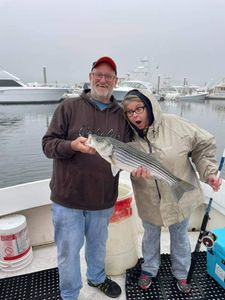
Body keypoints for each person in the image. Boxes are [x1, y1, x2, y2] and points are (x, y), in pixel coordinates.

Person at [42, 56, 132, 300]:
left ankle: (97, 278)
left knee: (98, 245)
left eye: (109, 76)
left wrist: (139, 167)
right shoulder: (69, 107)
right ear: (90, 77)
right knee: (68, 251)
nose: (103, 80)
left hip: (102, 199)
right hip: (67, 197)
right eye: (98, 74)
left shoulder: (122, 116)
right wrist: (71, 145)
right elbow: (48, 145)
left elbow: (129, 153)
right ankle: (70, 294)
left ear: (116, 81)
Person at [122, 89, 222, 294]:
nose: (134, 116)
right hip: (147, 198)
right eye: (129, 112)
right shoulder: (126, 134)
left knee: (180, 237)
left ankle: (182, 273)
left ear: (149, 107)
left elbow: (204, 143)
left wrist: (209, 172)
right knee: (150, 236)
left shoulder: (175, 124)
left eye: (139, 109)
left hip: (179, 196)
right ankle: (149, 270)